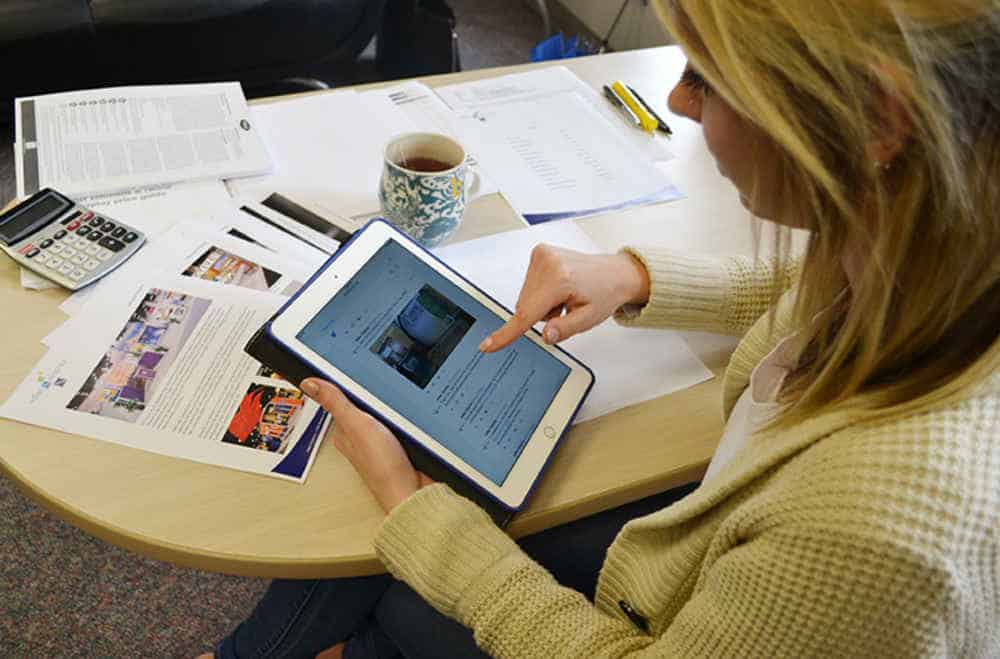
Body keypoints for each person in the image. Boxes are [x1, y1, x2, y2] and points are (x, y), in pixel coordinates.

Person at [203, 0, 1000, 656]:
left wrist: (419, 516)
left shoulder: (870, 533)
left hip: (669, 609)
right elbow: (809, 289)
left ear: (878, 120)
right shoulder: (939, 248)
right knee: (403, 550)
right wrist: (636, 275)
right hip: (699, 552)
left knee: (406, 589)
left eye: (707, 79)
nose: (680, 103)